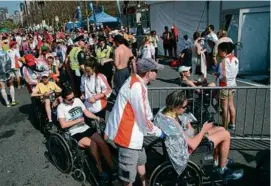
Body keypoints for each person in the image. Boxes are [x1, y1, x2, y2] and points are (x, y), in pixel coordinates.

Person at [154, 91, 244, 181]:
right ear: (175, 106)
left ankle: (219, 160)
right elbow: (192, 144)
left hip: (184, 141)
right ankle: (222, 169)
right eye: (184, 107)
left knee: (221, 129)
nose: (186, 109)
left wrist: (192, 127)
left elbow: (186, 133)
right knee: (226, 134)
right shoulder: (174, 123)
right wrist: (203, 130)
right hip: (189, 148)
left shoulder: (166, 112)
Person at [105, 58, 164, 186]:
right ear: (148, 72)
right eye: (155, 71)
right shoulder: (136, 86)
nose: (157, 73)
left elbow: (144, 109)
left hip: (136, 134)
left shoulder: (137, 82)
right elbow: (142, 116)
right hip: (127, 137)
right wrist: (158, 132)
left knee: (141, 161)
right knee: (128, 178)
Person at [57, 88, 115, 182]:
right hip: (74, 132)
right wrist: (77, 121)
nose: (72, 101)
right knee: (93, 144)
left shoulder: (77, 100)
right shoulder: (61, 107)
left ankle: (112, 166)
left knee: (101, 141)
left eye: (73, 97)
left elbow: (86, 112)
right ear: (63, 99)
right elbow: (63, 125)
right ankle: (100, 171)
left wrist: (97, 118)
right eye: (69, 99)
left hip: (85, 127)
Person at [216, 42, 238, 130]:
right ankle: (232, 123)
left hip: (224, 86)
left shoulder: (223, 61)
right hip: (233, 84)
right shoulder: (236, 59)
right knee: (231, 105)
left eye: (219, 51)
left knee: (224, 107)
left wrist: (218, 75)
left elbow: (223, 76)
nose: (218, 53)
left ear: (224, 51)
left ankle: (224, 127)